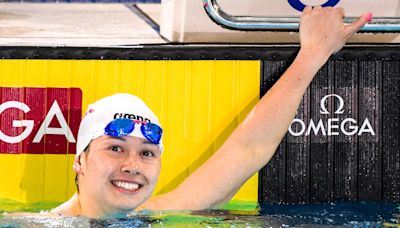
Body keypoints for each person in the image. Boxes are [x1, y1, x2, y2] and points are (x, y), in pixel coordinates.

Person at [52, 7, 372, 218]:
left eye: (147, 154)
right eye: (115, 148)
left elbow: (249, 148)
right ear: (80, 159)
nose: (132, 166)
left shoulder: (160, 211)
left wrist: (314, 52)